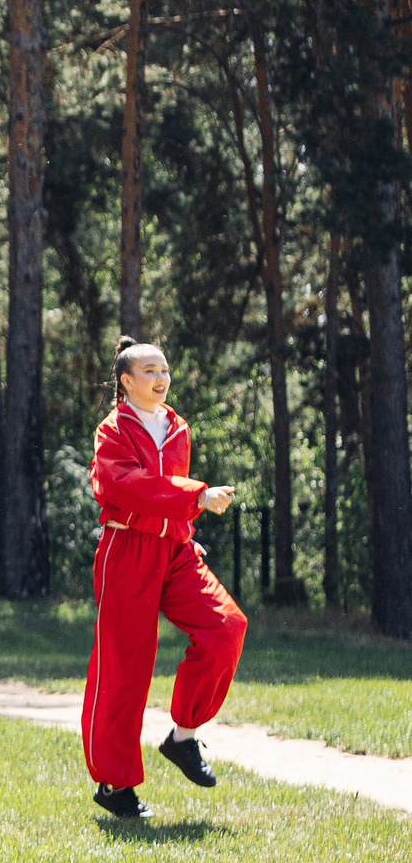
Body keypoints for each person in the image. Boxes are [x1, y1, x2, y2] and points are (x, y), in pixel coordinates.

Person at [81, 338, 245, 820]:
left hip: (175, 548)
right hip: (126, 551)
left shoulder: (177, 428)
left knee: (226, 628)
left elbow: (168, 497)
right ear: (126, 381)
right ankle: (115, 784)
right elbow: (122, 486)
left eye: (164, 369)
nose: (160, 377)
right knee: (124, 668)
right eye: (149, 370)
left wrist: (185, 529)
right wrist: (195, 496)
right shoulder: (112, 431)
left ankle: (183, 736)